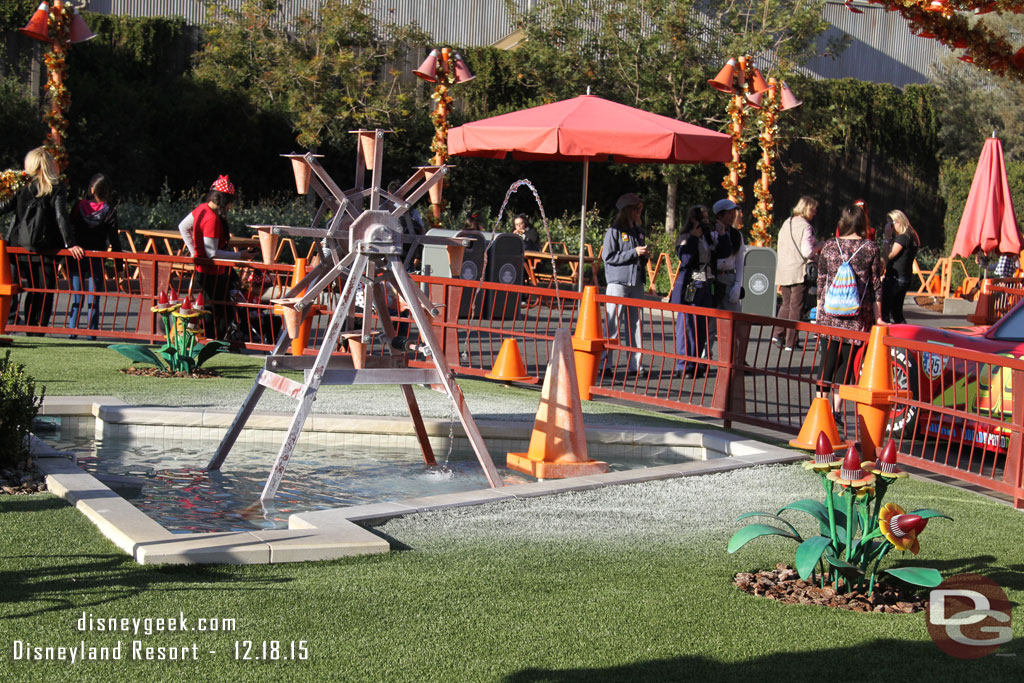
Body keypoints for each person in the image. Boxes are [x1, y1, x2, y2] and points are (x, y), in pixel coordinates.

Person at [0, 147, 84, 334]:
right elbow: (62, 217)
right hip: (46, 250)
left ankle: (11, 326)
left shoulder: (21, 187)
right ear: (49, 165)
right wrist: (70, 244)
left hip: (18, 247)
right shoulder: (55, 188)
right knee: (42, 291)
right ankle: (36, 329)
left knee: (13, 290)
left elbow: (3, 207)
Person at [816, 203, 883, 410]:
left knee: (826, 360)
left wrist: (819, 309)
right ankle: (836, 409)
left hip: (830, 315)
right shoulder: (870, 248)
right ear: (862, 223)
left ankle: (820, 406)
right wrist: (878, 316)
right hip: (857, 315)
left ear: (842, 222)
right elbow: (875, 286)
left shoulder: (829, 246)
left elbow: (821, 280)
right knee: (846, 363)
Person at [190, 175, 254, 340]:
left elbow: (183, 227)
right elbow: (212, 252)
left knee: (212, 306)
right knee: (218, 309)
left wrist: (194, 251)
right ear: (225, 200)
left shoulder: (202, 209)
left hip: (206, 269)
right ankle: (213, 340)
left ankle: (211, 338)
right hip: (213, 271)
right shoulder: (212, 219)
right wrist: (239, 255)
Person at [68, 174, 123, 339]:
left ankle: (72, 331)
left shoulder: (78, 206)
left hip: (77, 255)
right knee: (94, 297)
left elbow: (69, 227)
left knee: (77, 295)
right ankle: (92, 333)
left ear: (91, 189)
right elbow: (115, 241)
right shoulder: (109, 211)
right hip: (97, 257)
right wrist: (118, 268)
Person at [602, 192, 649, 376]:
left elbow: (637, 256)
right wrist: (633, 253)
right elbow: (608, 256)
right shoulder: (614, 231)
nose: (639, 213)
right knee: (613, 323)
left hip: (636, 281)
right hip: (618, 282)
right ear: (628, 210)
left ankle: (635, 365)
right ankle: (605, 364)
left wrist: (644, 257)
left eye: (640, 209)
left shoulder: (639, 232)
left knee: (636, 324)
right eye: (637, 209)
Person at [669, 212, 714, 377]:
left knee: (702, 326)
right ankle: (684, 365)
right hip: (691, 284)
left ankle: (696, 363)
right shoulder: (685, 237)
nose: (705, 222)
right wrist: (694, 237)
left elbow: (721, 253)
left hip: (706, 283)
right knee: (687, 325)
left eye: (706, 218)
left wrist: (720, 235)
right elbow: (686, 258)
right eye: (701, 219)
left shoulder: (707, 238)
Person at [772, 196, 819, 350]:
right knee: (797, 306)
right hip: (799, 271)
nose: (815, 213)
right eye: (813, 210)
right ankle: (791, 342)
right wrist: (820, 246)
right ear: (807, 209)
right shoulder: (806, 227)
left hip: (784, 270)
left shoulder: (787, 222)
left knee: (786, 304)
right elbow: (807, 252)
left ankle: (777, 334)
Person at [880, 209, 919, 324]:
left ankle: (889, 338)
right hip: (904, 278)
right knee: (897, 312)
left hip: (895, 279)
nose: (889, 227)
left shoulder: (903, 238)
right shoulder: (912, 236)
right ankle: (902, 339)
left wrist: (887, 238)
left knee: (886, 312)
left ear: (898, 222)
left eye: (890, 224)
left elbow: (890, 255)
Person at [710, 198, 745, 313]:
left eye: (734, 213)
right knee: (710, 317)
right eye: (729, 213)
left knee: (733, 316)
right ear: (719, 215)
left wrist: (738, 284)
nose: (732, 216)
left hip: (729, 278)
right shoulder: (710, 233)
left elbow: (739, 260)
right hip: (712, 277)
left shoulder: (736, 235)